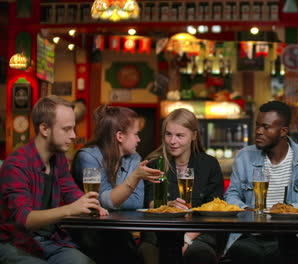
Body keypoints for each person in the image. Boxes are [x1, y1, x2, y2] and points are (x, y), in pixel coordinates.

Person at [0, 95, 108, 264]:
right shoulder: (16, 164)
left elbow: (71, 191)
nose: (73, 135)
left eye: (73, 128)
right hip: (15, 243)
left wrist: (91, 205)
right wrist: (70, 209)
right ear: (44, 129)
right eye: (66, 129)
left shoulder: (58, 159)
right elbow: (24, 219)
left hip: (50, 241)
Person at [222, 100, 298, 264]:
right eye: (257, 126)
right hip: (250, 235)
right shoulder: (244, 156)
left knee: (285, 253)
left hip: (291, 237)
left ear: (283, 131)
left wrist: (285, 212)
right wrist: (246, 209)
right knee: (242, 253)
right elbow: (231, 194)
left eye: (266, 127)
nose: (258, 132)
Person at [71, 105, 161, 264]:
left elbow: (136, 202)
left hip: (119, 232)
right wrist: (133, 179)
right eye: (136, 134)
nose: (139, 139)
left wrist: (114, 198)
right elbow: (102, 201)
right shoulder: (88, 157)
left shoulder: (134, 158)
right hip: (89, 232)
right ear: (120, 136)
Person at [141, 108, 225, 264]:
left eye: (180, 135)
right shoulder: (156, 164)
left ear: (193, 135)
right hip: (161, 232)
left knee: (199, 253)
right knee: (147, 249)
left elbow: (215, 210)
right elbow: (151, 203)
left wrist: (187, 238)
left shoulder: (208, 164)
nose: (172, 141)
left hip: (199, 232)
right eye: (168, 134)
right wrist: (168, 206)